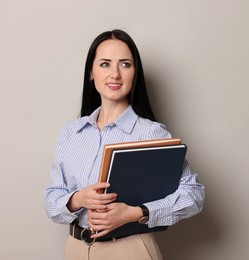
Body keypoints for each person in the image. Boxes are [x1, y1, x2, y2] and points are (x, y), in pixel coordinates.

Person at [44, 29, 205, 260]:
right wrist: (78, 199)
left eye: (125, 64)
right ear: (91, 72)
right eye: (105, 64)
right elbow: (51, 200)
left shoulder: (151, 132)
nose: (115, 74)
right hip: (75, 249)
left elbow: (194, 194)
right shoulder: (71, 132)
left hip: (129, 250)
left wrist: (135, 213)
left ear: (135, 72)